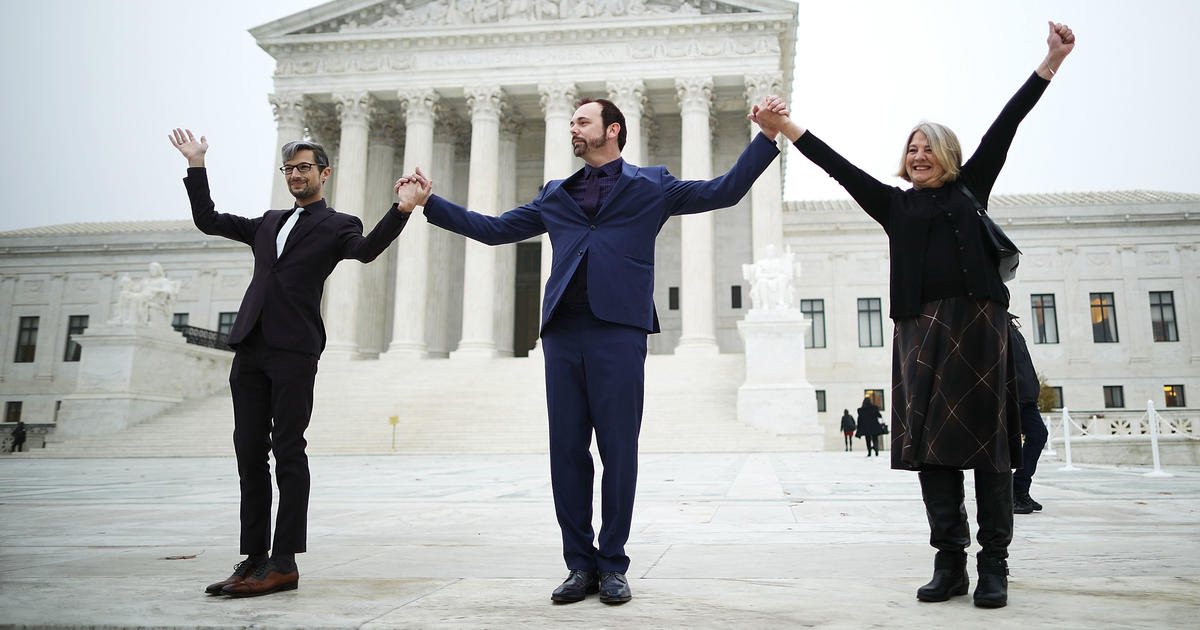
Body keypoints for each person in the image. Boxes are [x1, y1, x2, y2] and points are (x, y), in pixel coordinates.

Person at [396, 96, 782, 604]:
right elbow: (493, 232)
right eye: (571, 122)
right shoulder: (555, 194)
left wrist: (768, 137)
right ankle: (579, 565)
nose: (572, 129)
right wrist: (430, 202)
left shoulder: (654, 185)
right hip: (562, 334)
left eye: (582, 121)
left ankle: (614, 563)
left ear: (612, 129)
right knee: (567, 453)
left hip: (619, 332)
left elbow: (725, 192)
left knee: (618, 451)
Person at [754, 21, 1075, 609]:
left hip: (980, 331)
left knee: (992, 454)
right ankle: (948, 562)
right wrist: (784, 127)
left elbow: (1009, 123)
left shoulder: (971, 189)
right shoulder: (893, 204)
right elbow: (835, 163)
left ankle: (994, 566)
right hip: (920, 333)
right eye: (912, 148)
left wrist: (1050, 61)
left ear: (949, 156)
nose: (918, 154)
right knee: (933, 452)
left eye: (929, 147)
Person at [168, 128, 421, 597]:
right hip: (250, 346)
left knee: (288, 451)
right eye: (289, 169)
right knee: (248, 453)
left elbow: (366, 251)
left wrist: (402, 209)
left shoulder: (338, 224)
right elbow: (207, 219)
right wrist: (196, 164)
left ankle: (284, 561)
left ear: (324, 173)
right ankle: (254, 558)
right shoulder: (267, 222)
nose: (296, 175)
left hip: (294, 349)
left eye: (304, 167)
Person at [1009, 315, 1048, 514]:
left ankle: (1020, 488)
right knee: (1006, 446)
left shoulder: (1011, 325)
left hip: (1026, 397)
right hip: (1009, 396)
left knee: (1039, 435)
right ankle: (1010, 495)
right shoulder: (993, 323)